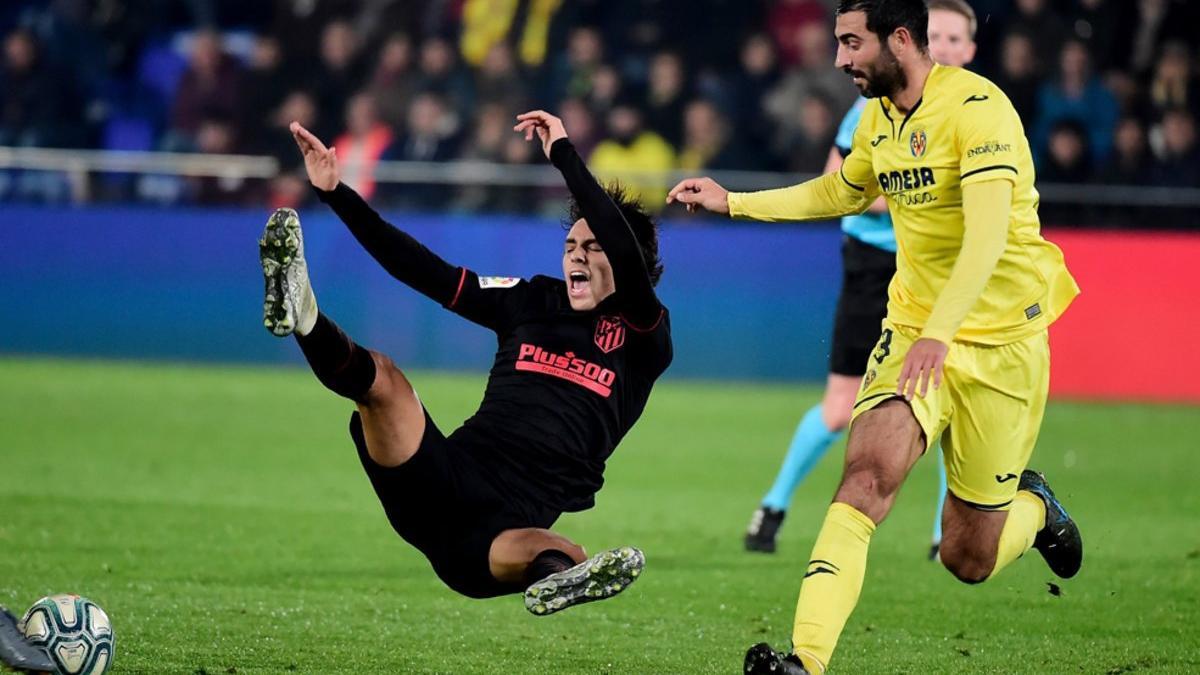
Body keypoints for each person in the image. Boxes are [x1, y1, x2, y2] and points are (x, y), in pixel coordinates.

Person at [667, 1, 1083, 673]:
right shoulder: (875, 121)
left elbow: (986, 239)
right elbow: (841, 193)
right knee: (865, 477)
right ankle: (805, 659)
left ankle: (1038, 511)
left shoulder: (980, 110)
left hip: (1003, 342)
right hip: (914, 326)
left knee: (968, 556)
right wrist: (734, 200)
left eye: (851, 43)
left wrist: (941, 336)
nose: (840, 60)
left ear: (898, 39)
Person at [259, 110, 671, 615]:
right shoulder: (532, 300)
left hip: (498, 537)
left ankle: (558, 580)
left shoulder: (644, 336)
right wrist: (336, 192)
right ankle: (303, 316)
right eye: (569, 247)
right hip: (442, 478)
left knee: (561, 551)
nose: (576, 257)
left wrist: (563, 152)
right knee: (383, 380)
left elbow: (624, 251)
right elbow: (424, 271)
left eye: (593, 247)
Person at [742, 0, 977, 561]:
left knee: (952, 402)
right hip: (875, 269)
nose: (943, 46)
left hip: (943, 274)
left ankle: (947, 536)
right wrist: (913, 196)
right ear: (911, 41)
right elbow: (837, 184)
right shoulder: (873, 109)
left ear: (971, 50)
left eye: (954, 39)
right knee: (842, 406)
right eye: (935, 35)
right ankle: (772, 506)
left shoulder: (977, 113)